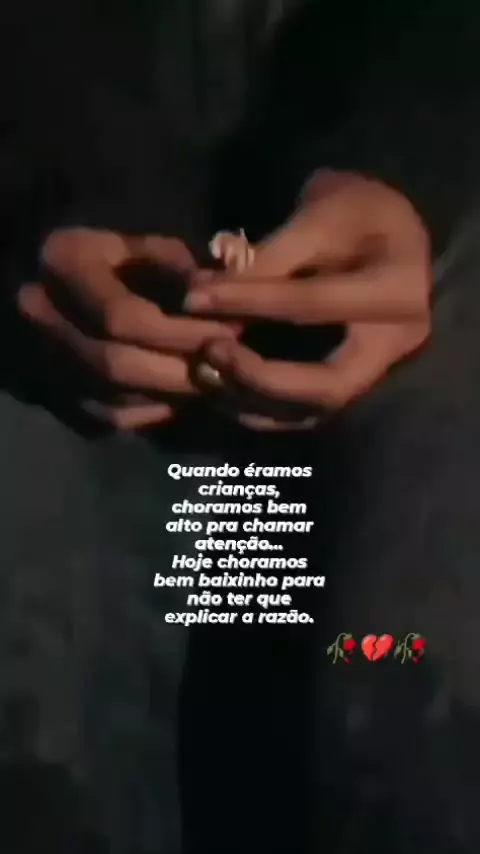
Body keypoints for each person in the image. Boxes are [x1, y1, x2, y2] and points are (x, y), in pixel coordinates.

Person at [0, 1, 479, 853]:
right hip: (38, 240)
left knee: (410, 705)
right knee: (42, 744)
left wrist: (401, 162)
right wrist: (42, 196)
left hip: (429, 210)